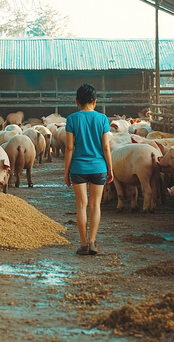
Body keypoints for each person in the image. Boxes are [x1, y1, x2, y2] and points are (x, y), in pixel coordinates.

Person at [64, 84, 113, 256]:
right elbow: (106, 147)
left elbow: (69, 148)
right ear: (95, 101)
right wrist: (110, 169)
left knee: (81, 206)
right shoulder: (102, 119)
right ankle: (92, 242)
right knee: (95, 205)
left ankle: (83, 245)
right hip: (99, 167)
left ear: (77, 101)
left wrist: (66, 172)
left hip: (78, 168)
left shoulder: (71, 119)